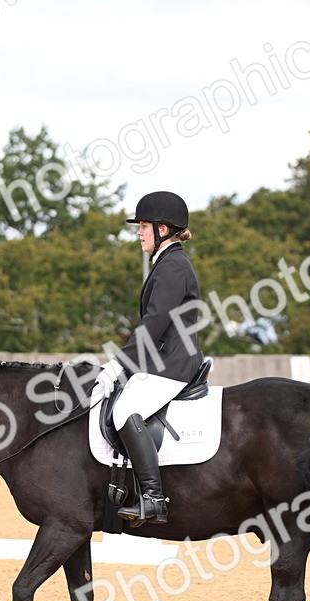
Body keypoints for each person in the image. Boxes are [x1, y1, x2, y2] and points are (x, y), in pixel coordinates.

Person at [90, 191, 204, 525]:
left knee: (125, 409)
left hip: (172, 365)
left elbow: (154, 324)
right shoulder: (167, 263)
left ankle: (154, 498)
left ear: (164, 229)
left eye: (143, 226)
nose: (139, 233)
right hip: (161, 362)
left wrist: (116, 365)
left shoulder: (173, 267)